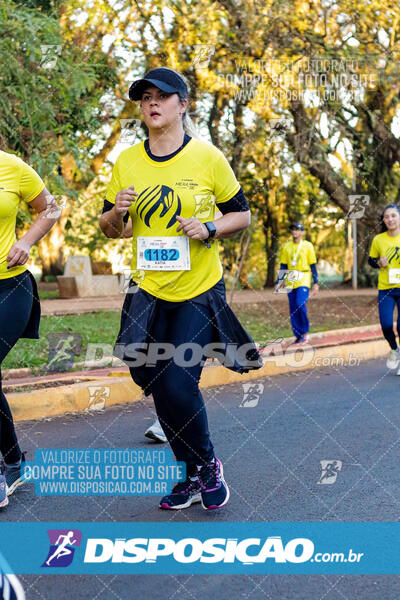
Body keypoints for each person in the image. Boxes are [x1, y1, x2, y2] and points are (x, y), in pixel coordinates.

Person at [100, 67, 262, 511]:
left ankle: (207, 465)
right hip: (147, 290)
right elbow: (111, 231)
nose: (152, 103)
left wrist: (209, 227)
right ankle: (189, 475)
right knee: (152, 378)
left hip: (198, 288)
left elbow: (242, 215)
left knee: (177, 381)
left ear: (182, 105)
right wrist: (116, 212)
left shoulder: (208, 158)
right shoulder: (127, 161)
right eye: (145, 97)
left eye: (162, 96)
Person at [0, 150, 59, 507]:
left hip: (9, 288)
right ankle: (14, 460)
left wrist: (25, 242)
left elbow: (51, 208)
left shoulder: (12, 166)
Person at [274, 222, 319, 344]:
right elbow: (283, 265)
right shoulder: (286, 246)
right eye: (293, 229)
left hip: (304, 276)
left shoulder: (308, 246)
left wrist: (316, 282)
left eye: (297, 229)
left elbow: (313, 265)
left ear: (302, 232)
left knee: (300, 303)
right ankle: (298, 335)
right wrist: (278, 282)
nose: (295, 232)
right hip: (290, 277)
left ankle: (304, 332)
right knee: (293, 307)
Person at [368, 203, 400, 372]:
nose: (390, 219)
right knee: (386, 325)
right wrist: (378, 262)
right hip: (386, 289)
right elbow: (371, 260)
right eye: (387, 216)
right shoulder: (378, 239)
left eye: (394, 215)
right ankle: (394, 349)